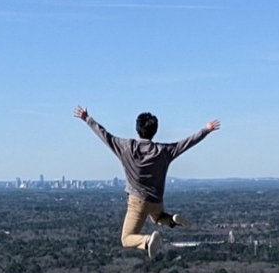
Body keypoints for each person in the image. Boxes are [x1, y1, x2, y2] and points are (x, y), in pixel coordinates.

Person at [74, 107, 221, 259]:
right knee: (158, 218)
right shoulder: (163, 151)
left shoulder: (126, 147)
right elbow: (186, 143)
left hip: (137, 201)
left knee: (126, 238)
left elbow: (105, 135)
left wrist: (87, 118)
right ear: (154, 131)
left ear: (137, 129)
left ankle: (147, 240)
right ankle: (172, 220)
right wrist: (206, 130)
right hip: (156, 201)